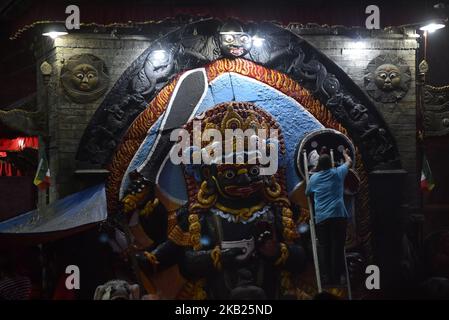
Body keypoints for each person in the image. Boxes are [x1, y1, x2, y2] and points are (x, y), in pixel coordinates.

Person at [305, 148, 352, 286]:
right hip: (338, 215)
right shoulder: (338, 173)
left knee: (325, 247)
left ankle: (326, 278)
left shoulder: (314, 178)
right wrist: (345, 154)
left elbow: (308, 193)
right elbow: (349, 162)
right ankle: (336, 278)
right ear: (331, 163)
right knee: (337, 247)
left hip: (322, 217)